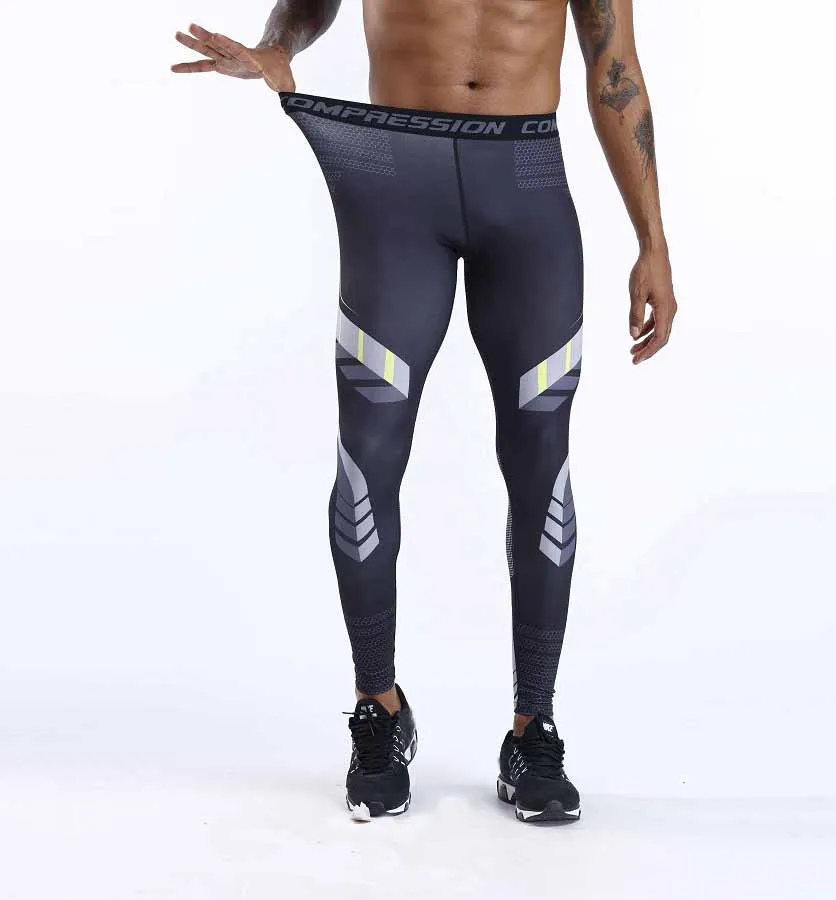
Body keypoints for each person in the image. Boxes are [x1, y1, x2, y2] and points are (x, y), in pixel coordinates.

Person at [171, 0, 677, 824]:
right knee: (367, 454)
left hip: (526, 182)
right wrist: (275, 45)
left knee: (541, 460)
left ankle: (533, 728)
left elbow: (613, 67)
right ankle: (379, 709)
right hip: (393, 183)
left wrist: (652, 240)